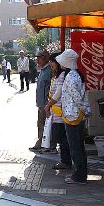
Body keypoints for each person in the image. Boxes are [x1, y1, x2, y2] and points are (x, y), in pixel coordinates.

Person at [57, 49, 90, 185]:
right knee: (79, 146)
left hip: (72, 115)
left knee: (75, 146)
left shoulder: (70, 77)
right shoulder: (76, 75)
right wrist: (86, 109)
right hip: (76, 115)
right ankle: (81, 173)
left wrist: (85, 109)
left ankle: (79, 176)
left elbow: (76, 97)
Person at [45, 53, 71, 169]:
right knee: (59, 137)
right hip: (56, 112)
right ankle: (65, 160)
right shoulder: (57, 75)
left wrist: (48, 105)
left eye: (53, 62)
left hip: (60, 112)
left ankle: (65, 161)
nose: (51, 64)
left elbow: (58, 93)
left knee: (60, 137)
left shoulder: (62, 76)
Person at [30, 50, 54, 152]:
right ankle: (41, 142)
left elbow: (50, 89)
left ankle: (48, 144)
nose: (37, 60)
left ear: (45, 58)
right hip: (41, 104)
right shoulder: (43, 70)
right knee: (41, 123)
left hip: (46, 104)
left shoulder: (49, 71)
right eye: (37, 58)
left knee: (47, 124)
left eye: (40, 58)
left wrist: (47, 104)